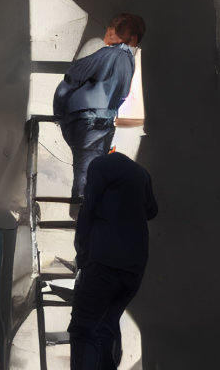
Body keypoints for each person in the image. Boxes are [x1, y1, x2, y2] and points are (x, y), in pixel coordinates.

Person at [70, 152, 157, 368]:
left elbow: (87, 211)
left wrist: (81, 255)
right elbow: (152, 211)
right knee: (106, 328)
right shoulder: (141, 172)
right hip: (135, 266)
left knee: (83, 329)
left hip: (105, 263)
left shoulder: (99, 166)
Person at [53, 13, 146, 202]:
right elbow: (121, 94)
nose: (110, 30)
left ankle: (81, 214)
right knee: (91, 172)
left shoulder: (112, 54)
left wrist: (60, 111)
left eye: (116, 27)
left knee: (87, 174)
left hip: (87, 118)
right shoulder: (126, 58)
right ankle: (84, 213)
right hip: (100, 119)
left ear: (132, 37)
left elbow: (73, 75)